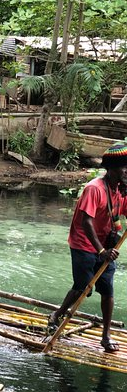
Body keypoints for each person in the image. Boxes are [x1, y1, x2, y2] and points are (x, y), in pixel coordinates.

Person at [48, 143, 127, 353]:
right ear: (111, 168)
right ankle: (57, 314)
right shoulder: (94, 188)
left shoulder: (120, 190)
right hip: (84, 243)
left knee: (108, 290)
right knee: (83, 286)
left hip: (106, 246)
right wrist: (101, 251)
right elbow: (86, 222)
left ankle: (105, 336)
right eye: (124, 167)